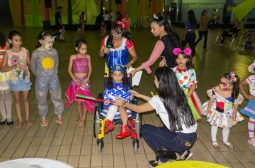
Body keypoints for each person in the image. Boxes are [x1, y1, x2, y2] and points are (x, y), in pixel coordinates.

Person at [114, 67, 197, 167]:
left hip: (180, 140)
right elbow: (158, 102)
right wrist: (139, 95)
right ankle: (183, 152)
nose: (154, 81)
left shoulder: (159, 99)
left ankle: (164, 159)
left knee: (145, 129)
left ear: (160, 82)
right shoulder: (178, 92)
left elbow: (138, 109)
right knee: (164, 127)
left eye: (155, 79)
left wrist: (124, 103)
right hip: (191, 137)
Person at [203, 72, 244, 150]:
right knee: (214, 125)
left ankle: (225, 141)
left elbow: (236, 103)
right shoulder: (216, 89)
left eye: (224, 84)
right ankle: (214, 141)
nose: (220, 85)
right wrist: (209, 107)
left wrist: (234, 113)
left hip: (227, 112)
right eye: (220, 82)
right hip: (217, 110)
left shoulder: (234, 93)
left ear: (231, 86)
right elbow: (212, 97)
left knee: (227, 126)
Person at [31, 32, 64, 127]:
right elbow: (33, 67)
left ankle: (59, 115)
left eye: (52, 41)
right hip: (41, 79)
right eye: (48, 41)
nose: (50, 43)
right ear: (41, 41)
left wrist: (54, 73)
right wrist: (39, 75)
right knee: (41, 97)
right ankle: (43, 117)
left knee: (57, 95)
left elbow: (56, 63)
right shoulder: (36, 53)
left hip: (53, 77)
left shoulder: (54, 51)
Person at [1, 31, 32, 128]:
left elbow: (30, 65)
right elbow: (2, 69)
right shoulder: (8, 53)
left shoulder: (25, 51)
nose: (18, 42)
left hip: (25, 78)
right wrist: (14, 67)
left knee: (26, 99)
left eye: (20, 40)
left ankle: (27, 118)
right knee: (17, 100)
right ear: (10, 41)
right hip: (14, 80)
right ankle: (20, 120)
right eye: (16, 40)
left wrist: (27, 67)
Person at [65, 39, 96, 127]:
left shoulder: (88, 57)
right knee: (78, 102)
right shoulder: (73, 57)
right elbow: (69, 70)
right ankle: (80, 117)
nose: (84, 51)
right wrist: (74, 79)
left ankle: (84, 118)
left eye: (86, 49)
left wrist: (88, 78)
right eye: (82, 49)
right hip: (76, 81)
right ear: (76, 49)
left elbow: (90, 69)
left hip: (85, 81)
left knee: (85, 100)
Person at [172, 48, 202, 121]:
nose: (180, 60)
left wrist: (187, 96)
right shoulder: (173, 70)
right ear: (176, 60)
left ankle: (189, 124)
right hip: (175, 93)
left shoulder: (191, 71)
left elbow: (193, 85)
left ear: (188, 60)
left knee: (188, 111)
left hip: (187, 93)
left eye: (183, 58)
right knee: (175, 110)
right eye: (178, 58)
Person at [102, 65, 131, 139]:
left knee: (121, 107)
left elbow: (128, 94)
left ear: (123, 75)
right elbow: (106, 94)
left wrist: (123, 100)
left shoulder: (125, 85)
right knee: (113, 107)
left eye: (119, 75)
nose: (117, 77)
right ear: (111, 75)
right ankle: (108, 123)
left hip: (122, 103)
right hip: (112, 103)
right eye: (115, 75)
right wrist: (107, 100)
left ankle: (124, 128)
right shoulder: (109, 85)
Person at [239, 61, 255, 146]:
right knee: (253, 120)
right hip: (254, 102)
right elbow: (241, 84)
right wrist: (246, 95)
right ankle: (251, 138)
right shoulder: (252, 78)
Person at [0, 31, 13, 125]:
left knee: (7, 94)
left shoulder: (7, 43)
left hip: (5, 72)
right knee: (0, 96)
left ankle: (9, 117)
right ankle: (3, 116)